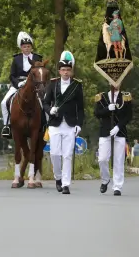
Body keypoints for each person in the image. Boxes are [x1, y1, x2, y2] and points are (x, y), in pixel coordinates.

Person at [43, 51, 84, 195]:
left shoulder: (77, 86)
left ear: (71, 71)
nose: (66, 72)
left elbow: (80, 108)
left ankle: (66, 184)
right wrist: (50, 110)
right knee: (54, 153)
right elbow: (45, 103)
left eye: (68, 70)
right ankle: (58, 178)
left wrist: (79, 124)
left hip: (70, 124)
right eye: (63, 70)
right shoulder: (53, 84)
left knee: (67, 155)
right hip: (55, 123)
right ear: (59, 71)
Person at [1, 31, 43, 138]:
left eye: (28, 46)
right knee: (3, 102)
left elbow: (40, 73)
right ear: (21, 48)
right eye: (24, 47)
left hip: (34, 86)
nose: (27, 49)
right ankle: (7, 126)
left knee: (44, 102)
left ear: (31, 47)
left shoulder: (37, 58)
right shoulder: (16, 59)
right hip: (18, 85)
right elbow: (11, 75)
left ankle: (45, 125)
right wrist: (18, 84)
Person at [94, 84, 133, 196]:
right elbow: (97, 113)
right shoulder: (102, 97)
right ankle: (105, 179)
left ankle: (117, 186)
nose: (115, 84)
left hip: (119, 131)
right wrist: (107, 109)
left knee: (118, 160)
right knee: (102, 159)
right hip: (105, 131)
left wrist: (118, 127)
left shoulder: (125, 97)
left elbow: (128, 115)